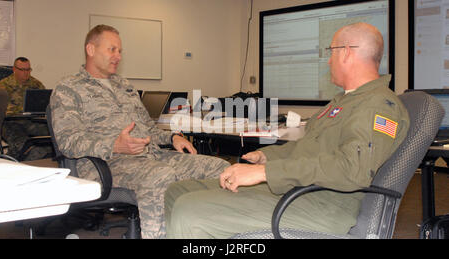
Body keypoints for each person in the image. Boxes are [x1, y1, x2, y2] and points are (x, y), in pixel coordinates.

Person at [164, 23, 411, 238]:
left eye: (331, 51)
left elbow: (351, 170)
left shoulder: (378, 105)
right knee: (179, 191)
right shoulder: (345, 101)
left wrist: (266, 172)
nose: (328, 60)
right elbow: (309, 148)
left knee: (190, 210)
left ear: (346, 53)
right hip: (300, 189)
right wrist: (268, 157)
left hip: (324, 203)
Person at [49, 25, 230, 239]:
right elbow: (68, 142)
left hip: (152, 156)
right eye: (112, 49)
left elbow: (148, 129)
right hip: (106, 164)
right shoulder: (68, 89)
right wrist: (115, 145)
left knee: (221, 168)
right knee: (160, 176)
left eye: (120, 51)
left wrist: (172, 137)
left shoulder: (124, 86)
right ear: (90, 49)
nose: (118, 56)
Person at [0, 57, 50, 160]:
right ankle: (8, 162)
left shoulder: (36, 84)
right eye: (22, 70)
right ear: (14, 69)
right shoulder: (3, 86)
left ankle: (40, 160)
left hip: (31, 121)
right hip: (9, 123)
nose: (26, 73)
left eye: (28, 70)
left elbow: (45, 105)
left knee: (50, 136)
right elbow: (1, 110)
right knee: (21, 142)